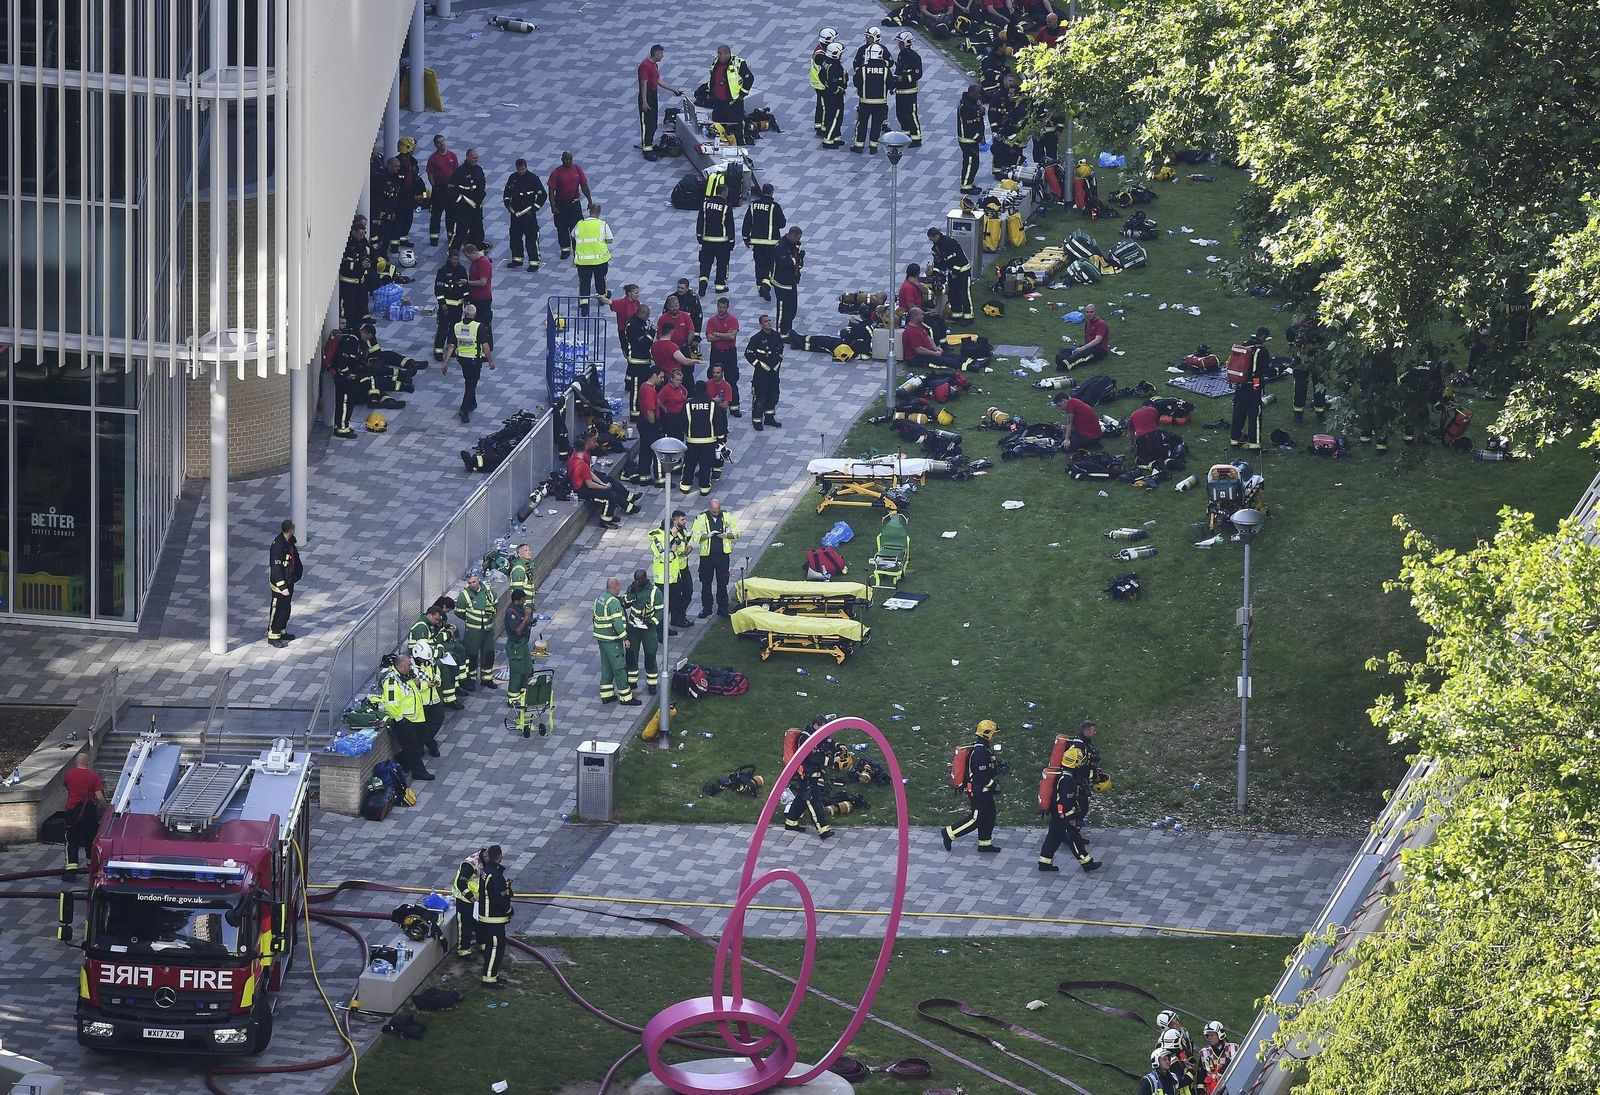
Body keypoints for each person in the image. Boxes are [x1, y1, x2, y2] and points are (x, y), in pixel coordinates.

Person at [942, 719, 1001, 852]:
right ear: (987, 734)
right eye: (993, 734)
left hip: (983, 791)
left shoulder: (983, 748)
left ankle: (984, 844)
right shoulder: (980, 752)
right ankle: (949, 833)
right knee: (976, 819)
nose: (995, 737)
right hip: (979, 792)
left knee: (989, 815)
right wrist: (994, 785)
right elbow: (981, 775)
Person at [1037, 762, 1100, 872]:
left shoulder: (1062, 774)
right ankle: (1086, 863)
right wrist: (1070, 818)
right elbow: (1065, 802)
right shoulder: (1067, 780)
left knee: (1053, 837)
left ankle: (1044, 862)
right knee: (1074, 838)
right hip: (1063, 815)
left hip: (1056, 812)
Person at [380, 654, 434, 780]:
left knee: (419, 742)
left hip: (415, 718)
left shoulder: (404, 676)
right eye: (409, 665)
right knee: (412, 748)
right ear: (402, 666)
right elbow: (392, 704)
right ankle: (419, 772)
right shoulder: (392, 681)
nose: (411, 667)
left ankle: (403, 763)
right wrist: (401, 720)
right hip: (405, 721)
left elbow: (413, 690)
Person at [568, 434, 637, 527]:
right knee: (611, 496)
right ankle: (605, 521)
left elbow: (589, 474)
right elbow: (590, 484)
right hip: (581, 490)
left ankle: (613, 513)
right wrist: (604, 487)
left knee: (609, 487)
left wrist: (602, 484)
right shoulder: (582, 464)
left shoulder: (572, 459)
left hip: (579, 486)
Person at [442, 303, 494, 425]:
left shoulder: (457, 326)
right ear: (474, 315)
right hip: (474, 360)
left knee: (469, 381)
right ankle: (464, 409)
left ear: (465, 313)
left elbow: (451, 346)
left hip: (462, 360)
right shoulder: (478, 327)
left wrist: (445, 363)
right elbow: (485, 347)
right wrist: (490, 361)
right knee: (472, 383)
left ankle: (472, 403)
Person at [593, 577, 638, 705]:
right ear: (615, 587)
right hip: (612, 640)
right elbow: (617, 623)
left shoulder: (600, 599)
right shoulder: (613, 602)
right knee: (619, 667)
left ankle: (607, 694)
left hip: (601, 639)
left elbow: (594, 618)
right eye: (619, 587)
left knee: (607, 665)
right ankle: (626, 697)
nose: (620, 589)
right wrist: (625, 638)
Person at [784, 725, 834, 839]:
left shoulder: (814, 735)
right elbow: (811, 757)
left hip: (811, 774)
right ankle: (823, 830)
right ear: (815, 725)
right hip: (807, 775)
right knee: (813, 801)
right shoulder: (805, 738)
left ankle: (791, 822)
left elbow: (825, 745)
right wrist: (828, 760)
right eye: (821, 727)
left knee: (802, 798)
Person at [692, 499, 739, 617]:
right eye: (714, 512)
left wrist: (726, 535)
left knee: (722, 582)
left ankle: (723, 608)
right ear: (709, 508)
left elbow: (736, 532)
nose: (716, 513)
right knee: (706, 583)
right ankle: (707, 608)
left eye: (718, 511)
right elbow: (694, 535)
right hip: (707, 557)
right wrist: (707, 535)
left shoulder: (728, 516)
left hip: (723, 556)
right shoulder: (701, 518)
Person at [476, 845, 514, 987]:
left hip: (487, 917)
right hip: (493, 919)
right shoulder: (495, 875)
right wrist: (509, 911)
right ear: (500, 856)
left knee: (493, 947)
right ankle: (489, 979)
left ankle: (493, 975)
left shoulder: (487, 871)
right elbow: (498, 899)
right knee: (494, 949)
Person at [62, 751, 107, 872]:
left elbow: (66, 785)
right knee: (90, 838)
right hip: (89, 810)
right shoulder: (93, 777)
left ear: (76, 762)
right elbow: (99, 796)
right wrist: (106, 809)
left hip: (72, 811)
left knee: (71, 840)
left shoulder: (68, 774)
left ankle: (71, 869)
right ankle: (91, 864)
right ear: (87, 763)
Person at [622, 568, 664, 696]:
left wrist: (651, 621)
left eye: (639, 580)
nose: (637, 582)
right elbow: (624, 603)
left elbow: (660, 612)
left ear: (645, 578)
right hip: (634, 628)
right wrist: (632, 593)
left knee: (650, 656)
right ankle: (632, 681)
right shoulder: (632, 588)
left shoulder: (655, 592)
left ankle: (652, 684)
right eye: (636, 580)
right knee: (631, 655)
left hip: (648, 629)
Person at [638, 44, 683, 161]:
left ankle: (650, 145)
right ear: (656, 53)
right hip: (647, 96)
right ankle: (646, 149)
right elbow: (643, 84)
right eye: (661, 54)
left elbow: (659, 81)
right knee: (646, 123)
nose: (662, 56)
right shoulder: (645, 66)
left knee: (652, 123)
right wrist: (644, 101)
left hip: (652, 95)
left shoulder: (654, 66)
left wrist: (673, 89)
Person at [455, 571, 498, 691]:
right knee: (472, 655)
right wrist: (472, 620)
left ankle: (487, 678)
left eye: (474, 581)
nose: (472, 584)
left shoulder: (488, 590)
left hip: (488, 629)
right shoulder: (464, 596)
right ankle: (472, 679)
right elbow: (459, 612)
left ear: (478, 580)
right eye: (470, 583)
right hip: (473, 632)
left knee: (488, 653)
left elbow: (495, 603)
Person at [650, 511, 694, 629]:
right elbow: (668, 553)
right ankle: (662, 629)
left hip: (678, 571)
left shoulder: (681, 531)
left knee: (684, 595)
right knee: (666, 604)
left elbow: (684, 545)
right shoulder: (660, 537)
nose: (685, 522)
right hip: (665, 576)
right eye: (682, 520)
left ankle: (677, 618)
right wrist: (674, 544)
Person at [502, 158, 547, 271]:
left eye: (522, 169)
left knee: (531, 238)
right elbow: (507, 193)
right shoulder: (513, 178)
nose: (521, 171)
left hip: (528, 215)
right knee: (515, 238)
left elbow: (542, 195)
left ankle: (534, 262)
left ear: (526, 167)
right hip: (516, 215)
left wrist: (534, 209)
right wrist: (508, 205)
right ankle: (517, 260)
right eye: (519, 169)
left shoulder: (533, 178)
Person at [742, 185, 786, 299]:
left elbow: (747, 223)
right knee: (771, 265)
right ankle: (766, 285)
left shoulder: (753, 205)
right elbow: (782, 224)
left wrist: (746, 238)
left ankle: (759, 285)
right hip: (771, 243)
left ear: (762, 192)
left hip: (756, 242)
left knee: (759, 265)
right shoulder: (774, 206)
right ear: (771, 193)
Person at [547, 151, 592, 260]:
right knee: (562, 227)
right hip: (561, 204)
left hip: (574, 204)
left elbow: (584, 186)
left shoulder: (577, 169)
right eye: (566, 159)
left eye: (570, 159)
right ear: (562, 159)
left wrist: (590, 201)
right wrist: (553, 206)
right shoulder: (556, 173)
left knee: (577, 227)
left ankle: (578, 249)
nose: (568, 161)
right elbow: (551, 190)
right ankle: (565, 249)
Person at [1231, 326, 1269, 450]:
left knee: (1238, 413)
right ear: (1262, 336)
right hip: (1253, 388)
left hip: (1239, 386)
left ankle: (1235, 439)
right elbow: (1265, 370)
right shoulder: (1261, 350)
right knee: (1255, 416)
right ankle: (1255, 444)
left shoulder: (1243, 346)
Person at [707, 44, 755, 144]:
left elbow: (749, 78)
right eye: (718, 53)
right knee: (718, 125)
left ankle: (740, 146)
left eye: (720, 54)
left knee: (737, 126)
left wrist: (742, 95)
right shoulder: (716, 61)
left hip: (733, 102)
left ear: (727, 54)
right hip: (718, 102)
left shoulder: (738, 64)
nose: (718, 56)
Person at [267, 518, 304, 648]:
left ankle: (282, 631)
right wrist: (282, 586)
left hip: (289, 581)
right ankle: (273, 635)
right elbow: (276, 568)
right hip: (280, 585)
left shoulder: (289, 543)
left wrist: (296, 576)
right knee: (278, 609)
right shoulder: (278, 546)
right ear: (290, 530)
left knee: (286, 608)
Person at [746, 313, 785, 430]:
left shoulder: (776, 335)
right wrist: (759, 365)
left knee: (773, 396)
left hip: (774, 373)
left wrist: (779, 361)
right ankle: (757, 421)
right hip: (761, 375)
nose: (769, 323)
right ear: (761, 324)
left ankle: (769, 418)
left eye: (769, 321)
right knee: (759, 398)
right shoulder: (756, 338)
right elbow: (748, 354)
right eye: (766, 321)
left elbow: (780, 349)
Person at [851, 42, 892, 154]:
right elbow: (891, 84)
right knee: (876, 125)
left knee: (862, 123)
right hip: (880, 103)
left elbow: (856, 82)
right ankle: (873, 147)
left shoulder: (863, 69)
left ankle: (859, 146)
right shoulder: (886, 70)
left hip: (865, 102)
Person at [928, 226, 973, 325]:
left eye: (932, 239)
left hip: (963, 270)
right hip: (952, 272)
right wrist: (936, 275)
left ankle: (969, 318)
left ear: (936, 235)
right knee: (952, 294)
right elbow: (938, 262)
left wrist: (955, 272)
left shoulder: (950, 242)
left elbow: (960, 258)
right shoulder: (936, 247)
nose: (932, 241)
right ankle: (957, 315)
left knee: (964, 294)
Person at [697, 181, 736, 296]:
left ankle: (703, 282)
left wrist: (699, 236)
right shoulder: (726, 206)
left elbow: (700, 221)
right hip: (722, 242)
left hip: (707, 240)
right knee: (722, 264)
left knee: (705, 263)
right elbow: (730, 225)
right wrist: (731, 241)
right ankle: (720, 286)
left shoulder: (705, 204)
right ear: (724, 192)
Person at [705, 298, 741, 415]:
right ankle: (714, 404)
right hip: (716, 353)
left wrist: (718, 334)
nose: (721, 309)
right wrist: (725, 335)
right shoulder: (712, 320)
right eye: (719, 307)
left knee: (732, 378)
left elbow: (732, 337)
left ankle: (734, 407)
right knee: (713, 376)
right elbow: (709, 338)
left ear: (727, 307)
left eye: (723, 307)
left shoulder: (733, 320)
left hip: (729, 353)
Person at [682, 381, 719, 495]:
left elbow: (683, 422)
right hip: (709, 441)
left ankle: (686, 486)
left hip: (692, 441)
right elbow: (718, 422)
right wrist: (721, 438)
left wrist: (686, 433)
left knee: (689, 464)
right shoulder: (712, 404)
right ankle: (704, 488)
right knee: (706, 465)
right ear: (706, 390)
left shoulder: (688, 405)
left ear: (695, 389)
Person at [573, 202, 613, 308]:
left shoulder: (580, 223)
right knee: (600, 279)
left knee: (584, 281)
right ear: (599, 213)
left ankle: (584, 303)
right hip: (600, 260)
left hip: (583, 261)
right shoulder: (602, 224)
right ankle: (602, 298)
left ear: (589, 211)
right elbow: (610, 239)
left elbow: (573, 235)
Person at [432, 247, 469, 361]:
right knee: (442, 328)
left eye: (457, 259)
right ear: (449, 259)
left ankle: (451, 349)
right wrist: (442, 304)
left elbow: (465, 288)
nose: (455, 261)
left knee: (454, 329)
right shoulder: (442, 271)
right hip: (446, 307)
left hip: (458, 307)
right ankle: (438, 350)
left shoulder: (462, 270)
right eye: (453, 259)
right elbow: (438, 290)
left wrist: (466, 302)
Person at [449, 147, 487, 249]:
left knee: (478, 231)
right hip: (464, 208)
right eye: (474, 158)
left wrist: (481, 197)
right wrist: (460, 200)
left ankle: (479, 252)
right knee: (460, 232)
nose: (476, 160)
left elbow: (482, 184)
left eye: (477, 158)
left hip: (476, 207)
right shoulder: (459, 172)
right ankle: (453, 253)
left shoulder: (479, 170)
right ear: (467, 157)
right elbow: (451, 189)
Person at [770, 226, 804, 338]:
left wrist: (799, 259)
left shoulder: (792, 244)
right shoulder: (781, 246)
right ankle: (781, 333)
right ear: (792, 235)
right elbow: (784, 263)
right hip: (782, 283)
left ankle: (787, 330)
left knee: (792, 308)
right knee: (783, 309)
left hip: (791, 282)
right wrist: (797, 259)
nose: (798, 240)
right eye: (797, 238)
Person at [425, 134, 459, 246]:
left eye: (443, 141)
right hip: (439, 189)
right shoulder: (433, 159)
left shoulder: (452, 156)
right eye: (439, 142)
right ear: (435, 145)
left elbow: (456, 171)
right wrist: (435, 186)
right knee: (436, 214)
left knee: (451, 214)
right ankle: (434, 237)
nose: (442, 143)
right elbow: (430, 174)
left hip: (450, 189)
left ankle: (451, 236)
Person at [501, 589, 534, 703]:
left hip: (523, 644)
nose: (524, 602)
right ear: (516, 601)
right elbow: (518, 631)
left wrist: (529, 620)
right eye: (522, 600)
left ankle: (523, 694)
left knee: (527, 669)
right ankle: (513, 698)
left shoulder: (519, 609)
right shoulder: (511, 612)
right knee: (517, 672)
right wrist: (526, 617)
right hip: (515, 646)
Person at [338, 220, 372, 329]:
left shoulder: (362, 241)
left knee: (361, 306)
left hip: (360, 282)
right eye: (360, 234)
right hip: (348, 284)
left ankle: (357, 328)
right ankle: (349, 329)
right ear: (353, 232)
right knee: (349, 309)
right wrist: (360, 265)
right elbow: (345, 266)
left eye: (363, 234)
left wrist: (367, 261)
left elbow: (367, 251)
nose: (362, 237)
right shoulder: (347, 245)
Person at [892, 32, 923, 145]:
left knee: (910, 114)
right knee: (900, 114)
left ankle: (916, 138)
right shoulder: (901, 55)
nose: (899, 45)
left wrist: (903, 78)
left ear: (906, 43)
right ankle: (905, 135)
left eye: (900, 43)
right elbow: (898, 70)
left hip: (910, 92)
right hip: (899, 91)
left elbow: (918, 74)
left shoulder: (914, 57)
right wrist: (894, 82)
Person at [450, 850, 482, 958]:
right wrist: (469, 896)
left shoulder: (487, 861)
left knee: (480, 921)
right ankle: (464, 950)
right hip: (464, 898)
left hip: (477, 897)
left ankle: (482, 942)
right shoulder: (470, 864)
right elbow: (461, 883)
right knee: (465, 924)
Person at [1057, 302, 1108, 368]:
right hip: (1088, 347)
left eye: (1091, 312)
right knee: (1066, 351)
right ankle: (1063, 360)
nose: (1089, 314)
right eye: (1087, 312)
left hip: (1098, 350)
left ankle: (1065, 365)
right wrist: (1082, 348)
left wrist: (1082, 348)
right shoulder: (1088, 322)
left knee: (1078, 356)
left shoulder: (1101, 324)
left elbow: (1097, 340)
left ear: (1095, 312)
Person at [818, 41, 848, 149]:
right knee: (834, 117)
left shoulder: (826, 62)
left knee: (833, 116)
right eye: (840, 53)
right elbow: (833, 83)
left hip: (827, 94)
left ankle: (836, 137)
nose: (841, 55)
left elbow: (821, 76)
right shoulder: (835, 67)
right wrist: (839, 90)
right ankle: (828, 140)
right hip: (835, 97)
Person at [956, 83, 986, 194]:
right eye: (977, 94)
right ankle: (966, 186)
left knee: (974, 162)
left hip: (973, 139)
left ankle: (970, 182)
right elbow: (969, 127)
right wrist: (979, 138)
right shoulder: (966, 106)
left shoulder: (972, 102)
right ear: (971, 93)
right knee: (970, 163)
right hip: (968, 140)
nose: (979, 96)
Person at [705, 362, 733, 477]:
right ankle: (707, 467)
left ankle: (717, 468)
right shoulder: (707, 384)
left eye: (718, 373)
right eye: (714, 372)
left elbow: (725, 405)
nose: (715, 375)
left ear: (722, 373)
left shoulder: (726, 386)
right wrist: (715, 401)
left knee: (720, 444)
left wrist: (711, 401)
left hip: (720, 420)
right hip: (708, 419)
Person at [463, 242, 494, 343]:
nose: (468, 259)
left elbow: (483, 282)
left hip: (482, 300)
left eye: (468, 256)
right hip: (475, 298)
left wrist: (467, 282)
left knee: (483, 324)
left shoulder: (483, 262)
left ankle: (486, 344)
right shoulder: (476, 261)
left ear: (473, 253)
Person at [810, 29, 838, 136]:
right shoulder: (820, 54)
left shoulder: (822, 50)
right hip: (820, 84)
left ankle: (819, 125)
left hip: (821, 83)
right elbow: (827, 65)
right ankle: (821, 128)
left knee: (821, 105)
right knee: (823, 106)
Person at [657, 363, 690, 443]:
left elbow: (685, 392)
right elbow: (657, 400)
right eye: (677, 380)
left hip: (680, 417)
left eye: (680, 380)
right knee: (673, 438)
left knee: (680, 438)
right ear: (671, 379)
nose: (679, 382)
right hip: (671, 418)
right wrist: (664, 408)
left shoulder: (680, 387)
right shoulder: (667, 389)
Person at [1199, 1021, 1234, 1090]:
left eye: (1212, 1035)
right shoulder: (1204, 1052)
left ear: (1220, 1034)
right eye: (1207, 1035)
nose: (1209, 1038)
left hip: (1230, 1088)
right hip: (1212, 1090)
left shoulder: (1233, 1049)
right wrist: (1200, 1090)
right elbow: (1201, 1075)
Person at [1129, 399, 1165, 465]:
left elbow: (1131, 433)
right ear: (1150, 405)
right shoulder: (1153, 410)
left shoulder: (1132, 415)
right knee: (1161, 454)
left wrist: (1133, 445)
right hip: (1155, 436)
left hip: (1142, 439)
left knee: (1144, 459)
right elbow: (1157, 424)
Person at [508, 543, 536, 609]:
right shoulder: (519, 570)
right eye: (525, 550)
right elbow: (518, 592)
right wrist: (524, 607)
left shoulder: (527, 565)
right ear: (519, 554)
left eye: (529, 550)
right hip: (523, 608)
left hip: (529, 606)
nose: (529, 552)